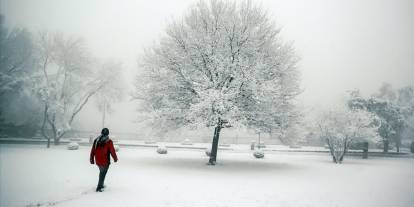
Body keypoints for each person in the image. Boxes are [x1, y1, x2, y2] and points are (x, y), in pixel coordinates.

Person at [90, 128, 118, 192]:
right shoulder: (109, 141)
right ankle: (99, 187)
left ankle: (101, 185)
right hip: (105, 161)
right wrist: (115, 158)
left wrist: (92, 159)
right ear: (108, 133)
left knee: (101, 172)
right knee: (103, 173)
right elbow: (112, 151)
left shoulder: (96, 140)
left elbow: (93, 150)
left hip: (98, 161)